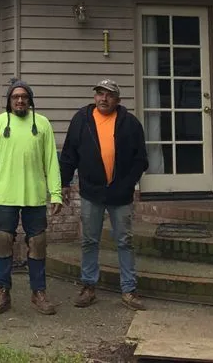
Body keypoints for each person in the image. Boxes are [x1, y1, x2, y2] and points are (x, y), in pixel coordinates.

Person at [59, 78, 149, 311]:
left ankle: (129, 289)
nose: (103, 98)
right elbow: (69, 154)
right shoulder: (82, 120)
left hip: (121, 194)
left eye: (109, 95)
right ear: (94, 97)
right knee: (90, 241)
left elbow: (141, 160)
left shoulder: (130, 123)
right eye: (100, 93)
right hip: (91, 192)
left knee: (124, 241)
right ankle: (89, 286)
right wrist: (64, 183)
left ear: (117, 100)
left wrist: (128, 184)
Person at [0, 80, 63, 315]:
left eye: (24, 97)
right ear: (9, 99)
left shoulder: (43, 124)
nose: (19, 100)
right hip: (5, 196)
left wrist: (55, 193)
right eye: (15, 96)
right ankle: (2, 292)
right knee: (3, 242)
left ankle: (38, 293)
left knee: (38, 245)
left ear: (30, 100)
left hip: (34, 196)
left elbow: (51, 161)